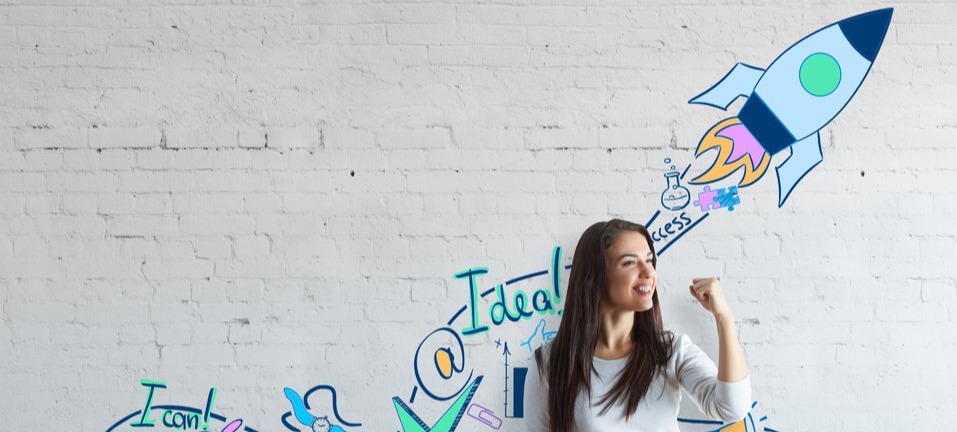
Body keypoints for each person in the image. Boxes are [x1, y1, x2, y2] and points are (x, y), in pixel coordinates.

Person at [524, 219, 752, 432]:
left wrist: (723, 317)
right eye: (630, 262)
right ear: (595, 276)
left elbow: (732, 408)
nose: (648, 272)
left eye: (650, 260)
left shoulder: (672, 351)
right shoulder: (550, 362)